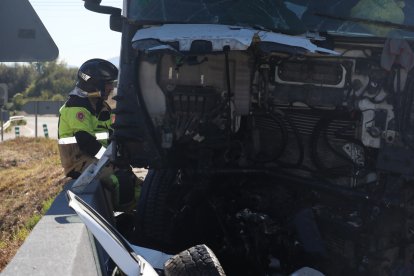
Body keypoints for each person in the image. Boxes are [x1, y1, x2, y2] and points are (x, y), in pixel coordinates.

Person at [58, 58, 141, 212]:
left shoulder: (101, 106)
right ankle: (129, 218)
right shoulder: (76, 106)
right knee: (119, 180)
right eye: (107, 83)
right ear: (93, 84)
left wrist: (121, 155)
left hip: (98, 159)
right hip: (79, 162)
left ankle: (143, 213)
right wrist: (110, 158)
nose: (111, 87)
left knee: (136, 182)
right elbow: (86, 141)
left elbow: (110, 136)